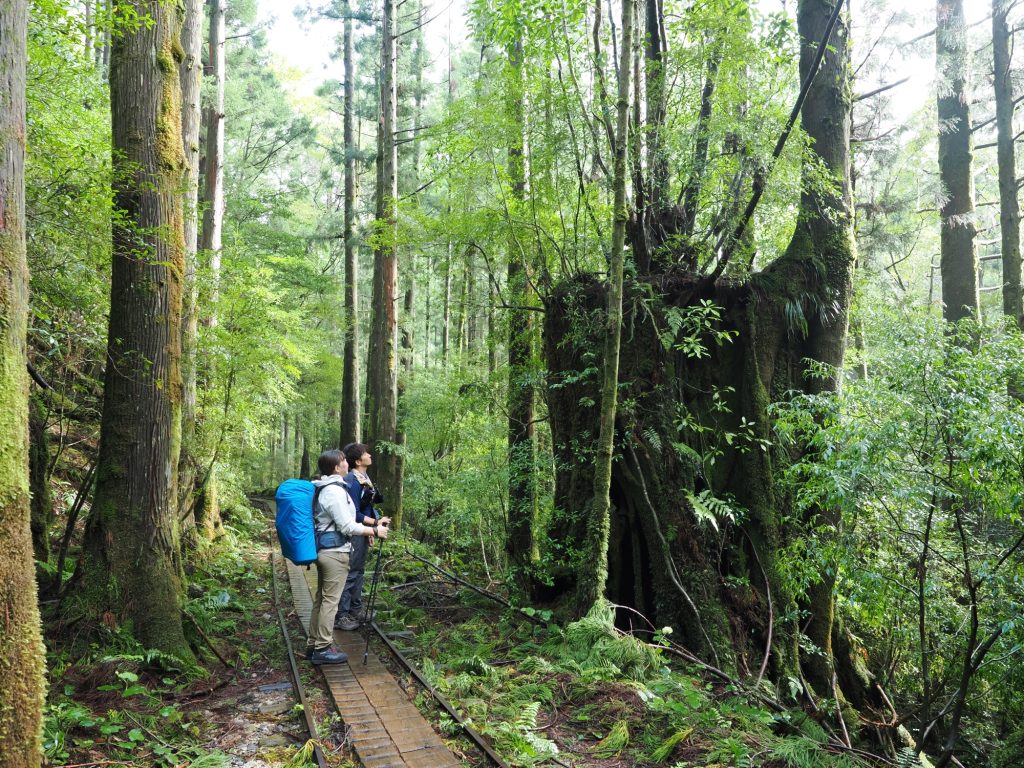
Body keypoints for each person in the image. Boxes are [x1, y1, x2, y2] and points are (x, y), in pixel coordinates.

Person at [306, 448, 389, 664]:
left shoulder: (328, 488)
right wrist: (374, 531)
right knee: (329, 602)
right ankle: (323, 648)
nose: (346, 463)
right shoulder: (334, 491)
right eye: (343, 460)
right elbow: (346, 525)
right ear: (336, 467)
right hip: (334, 552)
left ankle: (313, 643)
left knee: (321, 599)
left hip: (327, 549)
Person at [334, 442, 388, 630]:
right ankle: (342, 615)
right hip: (354, 532)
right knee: (351, 572)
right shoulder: (353, 481)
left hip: (363, 532)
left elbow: (366, 507)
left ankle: (355, 609)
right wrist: (374, 525)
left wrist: (374, 523)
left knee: (359, 571)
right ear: (358, 461)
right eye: (366, 453)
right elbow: (353, 513)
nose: (370, 455)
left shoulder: (363, 477)